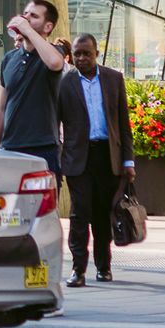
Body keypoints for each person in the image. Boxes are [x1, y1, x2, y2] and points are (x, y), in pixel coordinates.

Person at [57, 35, 135, 287]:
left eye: (86, 54)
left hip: (107, 156)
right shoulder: (65, 83)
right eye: (77, 54)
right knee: (80, 213)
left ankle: (104, 266)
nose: (81, 58)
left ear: (96, 53)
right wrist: (59, 154)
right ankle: (78, 269)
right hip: (78, 158)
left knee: (103, 214)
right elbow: (54, 122)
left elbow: (123, 123)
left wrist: (128, 161)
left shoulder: (113, 79)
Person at [0, 0, 67, 175]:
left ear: (48, 27)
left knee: (42, 202)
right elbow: (1, 108)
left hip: (43, 148)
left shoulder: (53, 52)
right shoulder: (9, 59)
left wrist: (27, 29)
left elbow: (56, 63)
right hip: (10, 147)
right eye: (25, 13)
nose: (26, 18)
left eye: (34, 16)